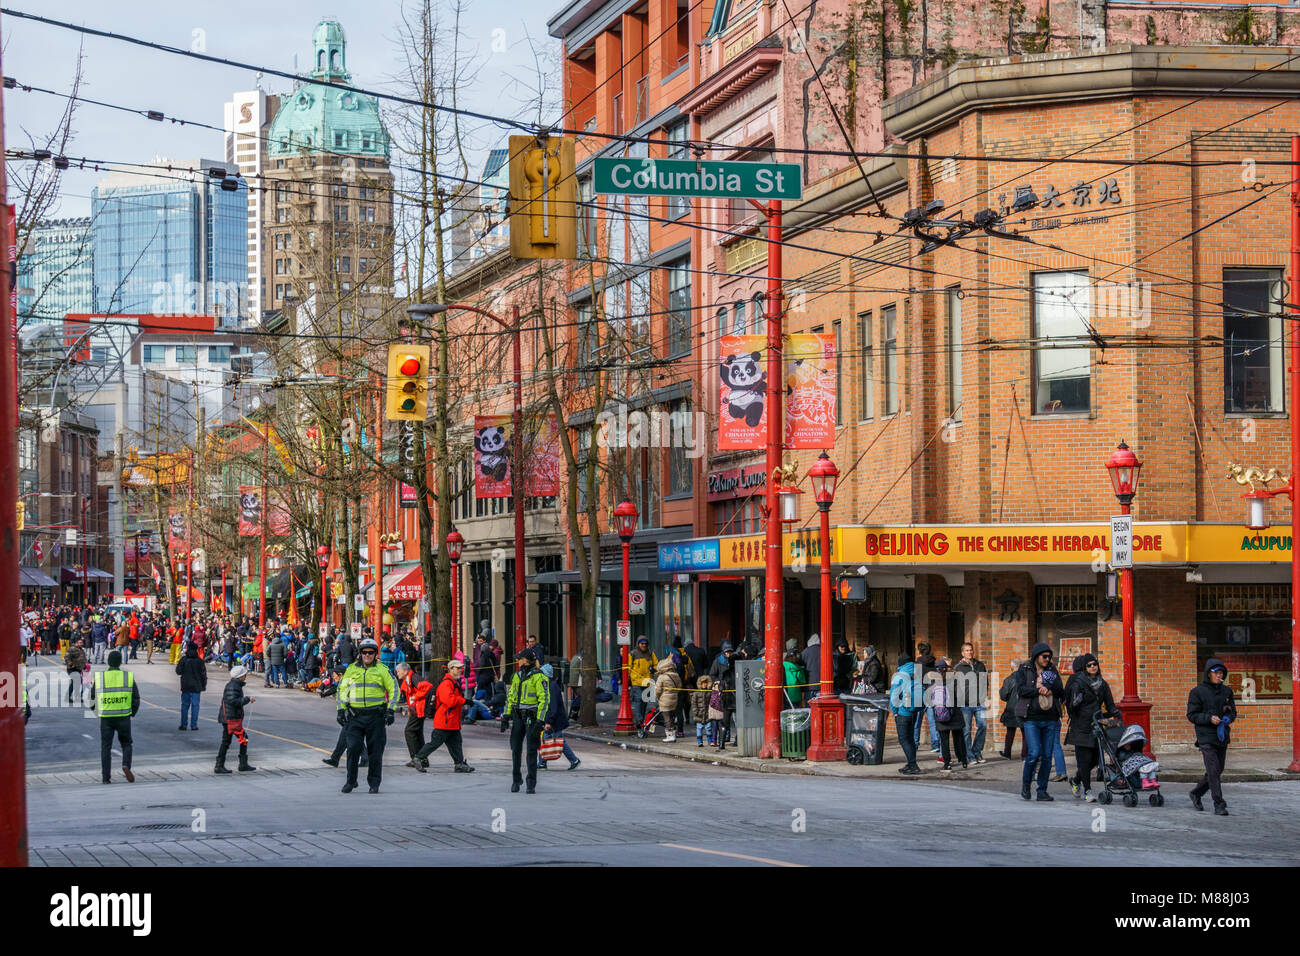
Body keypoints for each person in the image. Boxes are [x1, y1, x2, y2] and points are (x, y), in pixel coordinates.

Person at [336, 637, 397, 793]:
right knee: (353, 748)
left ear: (375, 654)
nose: (367, 655)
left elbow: (394, 689)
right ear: (360, 653)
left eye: (370, 652)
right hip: (355, 716)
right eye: (364, 652)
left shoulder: (382, 670)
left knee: (375, 752)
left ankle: (374, 784)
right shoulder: (351, 669)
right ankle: (351, 781)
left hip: (375, 717)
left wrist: (391, 710)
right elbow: (342, 690)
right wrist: (341, 709)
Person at [1063, 653, 1117, 802]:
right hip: (1081, 725)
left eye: (1095, 664)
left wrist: (1117, 713)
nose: (1093, 667)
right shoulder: (1078, 683)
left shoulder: (1103, 683)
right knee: (1084, 760)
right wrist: (1076, 703)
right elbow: (1071, 706)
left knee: (1095, 759)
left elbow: (1110, 705)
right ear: (1085, 668)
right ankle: (1087, 791)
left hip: (1096, 725)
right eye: (1089, 665)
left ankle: (1076, 780)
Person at [1187, 658, 1236, 816]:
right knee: (1213, 770)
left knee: (1218, 769)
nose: (1218, 675)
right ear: (1209, 674)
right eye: (1216, 672)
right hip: (1205, 736)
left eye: (1221, 672)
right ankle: (1219, 803)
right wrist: (1209, 718)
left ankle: (1196, 793)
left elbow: (1232, 711)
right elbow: (1192, 715)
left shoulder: (1227, 692)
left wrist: (1228, 717)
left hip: (1221, 735)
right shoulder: (1197, 692)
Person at [1016, 642, 1065, 801]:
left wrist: (1050, 689)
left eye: (1049, 656)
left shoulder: (1052, 670)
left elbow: (1061, 690)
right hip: (1032, 719)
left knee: (1046, 756)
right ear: (1036, 656)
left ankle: (1042, 790)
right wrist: (1038, 690)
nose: (1047, 659)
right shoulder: (1024, 669)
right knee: (1034, 753)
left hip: (1050, 719)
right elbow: (1021, 690)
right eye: (1044, 656)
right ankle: (1026, 784)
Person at [412, 659, 475, 773]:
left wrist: (464, 701)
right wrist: (463, 700)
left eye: (461, 668)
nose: (460, 670)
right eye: (458, 668)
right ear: (451, 669)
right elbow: (449, 701)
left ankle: (459, 764)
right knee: (435, 743)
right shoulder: (446, 683)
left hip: (450, 721)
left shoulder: (452, 682)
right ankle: (418, 758)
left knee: (456, 743)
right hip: (445, 721)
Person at [504, 648, 550, 793]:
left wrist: (540, 721)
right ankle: (516, 780)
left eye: (520, 659)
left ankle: (531, 783)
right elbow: (511, 696)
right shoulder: (517, 675)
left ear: (526, 660)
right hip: (518, 716)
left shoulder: (539, 677)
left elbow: (544, 700)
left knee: (531, 750)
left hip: (532, 717)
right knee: (515, 749)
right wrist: (506, 715)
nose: (518, 661)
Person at [92, 650, 139, 784]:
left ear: (108, 662)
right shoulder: (127, 677)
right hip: (123, 716)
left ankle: (106, 777)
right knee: (126, 744)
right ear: (120, 662)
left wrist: (98, 712)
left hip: (106, 717)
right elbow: (136, 698)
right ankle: (126, 765)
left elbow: (92, 698)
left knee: (106, 746)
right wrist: (131, 713)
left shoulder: (100, 677)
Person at [536, 663, 580, 770]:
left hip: (554, 720)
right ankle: (573, 760)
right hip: (556, 719)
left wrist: (548, 721)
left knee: (549, 739)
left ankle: (543, 763)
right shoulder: (551, 685)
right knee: (556, 740)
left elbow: (553, 706)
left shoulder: (551, 687)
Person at [214, 665, 256, 773]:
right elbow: (233, 701)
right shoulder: (233, 686)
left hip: (229, 718)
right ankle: (240, 764)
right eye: (244, 674)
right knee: (242, 739)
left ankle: (221, 764)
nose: (245, 676)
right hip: (230, 719)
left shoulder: (234, 685)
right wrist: (247, 699)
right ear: (240, 676)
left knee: (227, 741)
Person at [954, 642, 988, 764]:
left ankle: (977, 750)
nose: (970, 652)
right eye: (967, 650)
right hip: (965, 704)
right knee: (967, 731)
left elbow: (985, 682)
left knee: (983, 726)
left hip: (979, 703)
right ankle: (970, 755)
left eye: (971, 650)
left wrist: (985, 697)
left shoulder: (980, 665)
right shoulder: (958, 667)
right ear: (963, 653)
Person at [889, 654, 922, 775]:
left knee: (904, 739)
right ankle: (910, 763)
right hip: (914, 711)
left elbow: (893, 696)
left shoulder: (899, 676)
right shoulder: (916, 673)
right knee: (910, 739)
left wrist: (895, 712)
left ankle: (913, 765)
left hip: (903, 712)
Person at [932, 660, 967, 774]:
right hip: (955, 712)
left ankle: (947, 764)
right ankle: (964, 760)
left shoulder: (934, 682)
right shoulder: (954, 680)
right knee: (959, 737)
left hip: (941, 713)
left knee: (944, 740)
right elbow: (961, 696)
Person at [396, 662, 434, 768]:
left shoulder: (414, 678)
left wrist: (415, 697)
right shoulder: (410, 679)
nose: (397, 673)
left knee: (409, 731)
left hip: (419, 709)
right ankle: (422, 759)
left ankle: (415, 758)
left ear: (405, 671)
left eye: (398, 671)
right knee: (417, 733)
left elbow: (428, 687)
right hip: (417, 709)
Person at [913, 642, 941, 754]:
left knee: (917, 722)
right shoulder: (934, 662)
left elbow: (916, 679)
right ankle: (935, 744)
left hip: (920, 693)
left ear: (919, 651)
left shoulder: (917, 663)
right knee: (933, 721)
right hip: (931, 691)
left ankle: (914, 744)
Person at [708, 642, 737, 749]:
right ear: (723, 652)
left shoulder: (735, 665)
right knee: (725, 720)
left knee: (735, 720)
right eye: (727, 651)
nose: (728, 653)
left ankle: (734, 740)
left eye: (730, 651)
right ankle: (722, 742)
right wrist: (718, 682)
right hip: (726, 695)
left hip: (730, 695)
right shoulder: (718, 661)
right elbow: (712, 674)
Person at [176, 642, 207, 731]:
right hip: (197, 686)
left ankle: (183, 724)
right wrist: (203, 686)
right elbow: (203, 675)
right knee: (195, 706)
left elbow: (178, 671)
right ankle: (194, 725)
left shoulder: (184, 659)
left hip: (186, 685)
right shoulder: (199, 661)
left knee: (185, 706)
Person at [627, 637, 657, 728]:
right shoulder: (633, 654)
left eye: (645, 643)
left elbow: (656, 664)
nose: (644, 645)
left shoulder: (651, 653)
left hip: (647, 682)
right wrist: (628, 680)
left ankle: (642, 721)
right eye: (642, 643)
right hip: (636, 682)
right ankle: (639, 722)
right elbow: (628, 667)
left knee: (644, 702)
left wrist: (654, 669)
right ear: (638, 644)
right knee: (639, 700)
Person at [652, 656, 683, 742]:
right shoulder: (676, 675)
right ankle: (673, 734)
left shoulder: (661, 677)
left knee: (667, 718)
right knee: (672, 717)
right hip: (674, 698)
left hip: (665, 699)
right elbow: (680, 687)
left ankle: (670, 736)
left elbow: (657, 690)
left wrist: (658, 697)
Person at [998, 660, 1024, 759]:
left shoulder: (1008, 679)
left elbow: (1003, 696)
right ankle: (1025, 755)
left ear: (1012, 667)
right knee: (1025, 732)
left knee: (1010, 732)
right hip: (1024, 708)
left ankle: (1007, 753)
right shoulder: (1026, 679)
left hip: (1011, 709)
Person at [692, 674, 714, 746]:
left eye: (705, 683)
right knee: (699, 728)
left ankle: (709, 740)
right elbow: (694, 703)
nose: (704, 684)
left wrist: (710, 712)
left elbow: (712, 703)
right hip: (699, 714)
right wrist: (696, 712)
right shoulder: (696, 693)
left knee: (708, 728)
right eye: (703, 683)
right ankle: (699, 741)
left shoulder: (709, 692)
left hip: (707, 714)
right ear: (700, 684)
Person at [65, 638, 88, 704]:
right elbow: (66, 657)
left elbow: (83, 659)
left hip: (79, 669)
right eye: (80, 642)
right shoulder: (71, 649)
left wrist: (85, 666)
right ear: (76, 643)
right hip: (72, 669)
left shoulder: (82, 650)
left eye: (82, 642)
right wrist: (71, 664)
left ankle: (72, 697)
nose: (81, 644)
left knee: (78, 682)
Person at [800, 633, 821, 700]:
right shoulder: (824, 651)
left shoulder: (804, 652)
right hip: (821, 685)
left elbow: (801, 667)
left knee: (809, 707)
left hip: (808, 685)